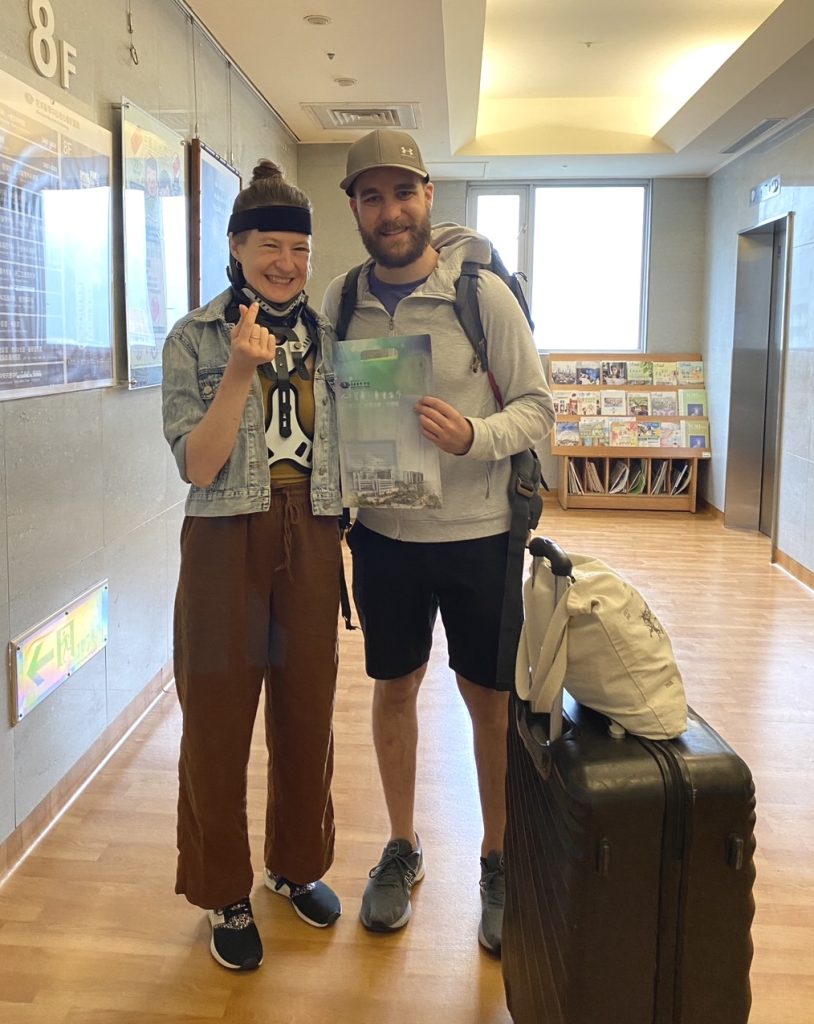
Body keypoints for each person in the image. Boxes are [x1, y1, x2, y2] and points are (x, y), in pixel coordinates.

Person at [322, 129, 555, 954]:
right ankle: (402, 845)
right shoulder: (341, 301)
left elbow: (537, 406)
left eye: (403, 193)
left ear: (428, 195)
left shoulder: (479, 294)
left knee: (487, 702)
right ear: (354, 208)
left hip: (478, 536)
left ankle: (497, 857)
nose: (390, 211)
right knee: (394, 690)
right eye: (371, 197)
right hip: (384, 536)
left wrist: (474, 437)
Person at [162, 160, 344, 971]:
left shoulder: (333, 340)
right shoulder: (193, 338)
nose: (286, 263)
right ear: (235, 247)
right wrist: (239, 369)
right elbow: (199, 466)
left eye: (299, 249)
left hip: (314, 531)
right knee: (216, 717)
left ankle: (295, 865)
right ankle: (222, 890)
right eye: (270, 246)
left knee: (307, 709)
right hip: (222, 537)